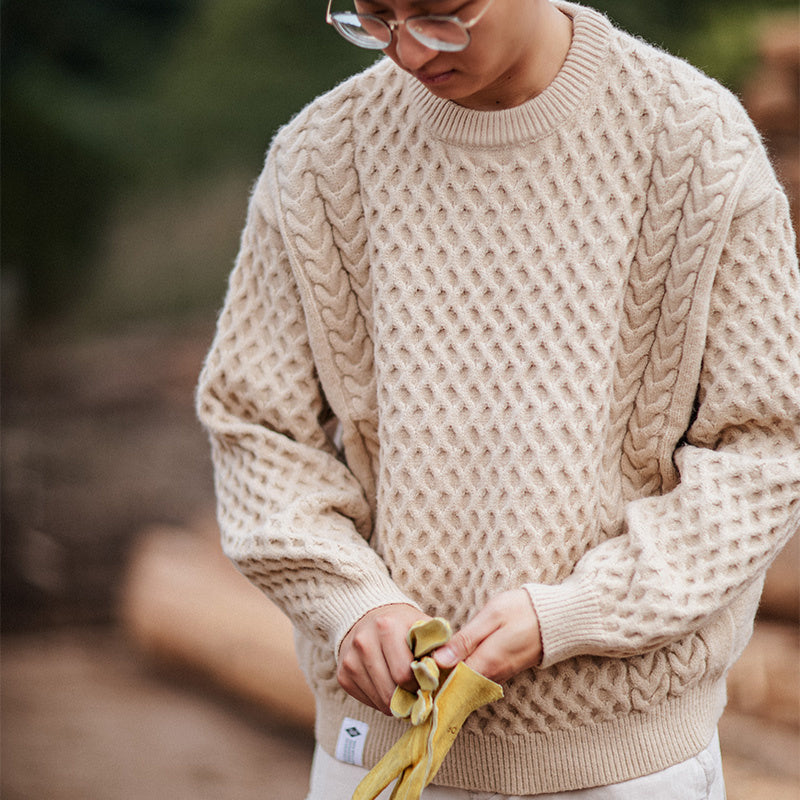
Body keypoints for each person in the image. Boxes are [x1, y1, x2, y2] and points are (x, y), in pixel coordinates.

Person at [196, 0, 800, 797]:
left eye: (441, 17)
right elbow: (255, 428)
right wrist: (350, 601)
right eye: (374, 18)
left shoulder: (696, 144)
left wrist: (579, 612)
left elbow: (767, 448)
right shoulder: (319, 159)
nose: (408, 53)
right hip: (378, 751)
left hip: (629, 768)